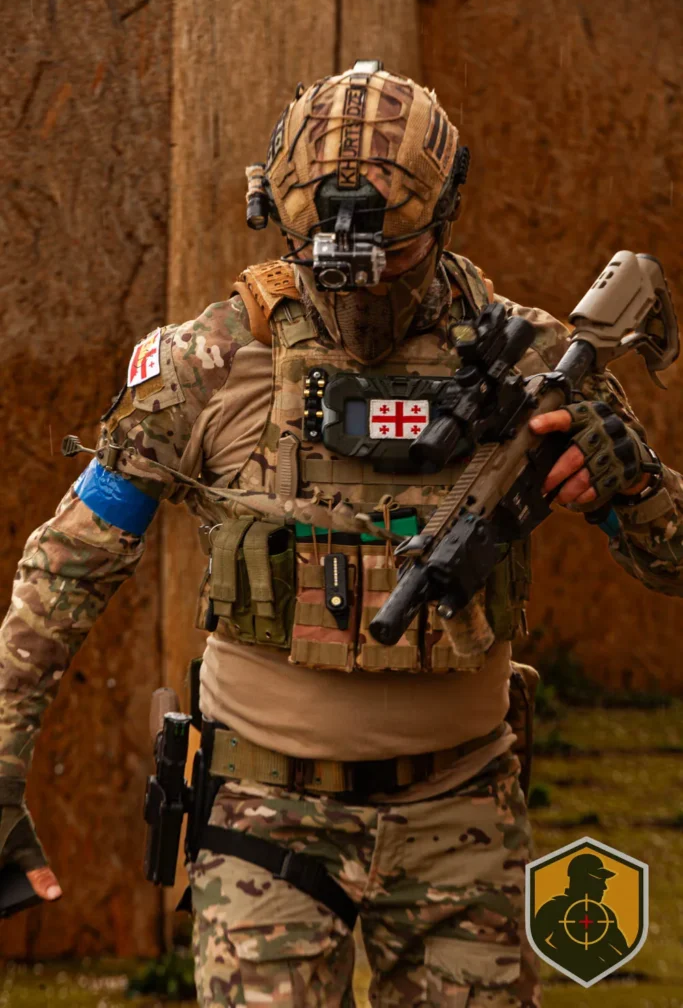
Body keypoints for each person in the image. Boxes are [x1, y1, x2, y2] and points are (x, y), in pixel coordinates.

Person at [1, 61, 681, 1007]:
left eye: (391, 252)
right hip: (264, 818)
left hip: (460, 814)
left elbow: (670, 558)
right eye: (326, 253)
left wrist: (631, 482)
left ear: (445, 215)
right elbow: (65, 569)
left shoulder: (535, 362)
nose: (361, 281)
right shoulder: (208, 361)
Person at [532, 853, 630, 982]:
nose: (604, 887)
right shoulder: (555, 908)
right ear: (582, 880)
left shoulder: (605, 913)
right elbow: (535, 940)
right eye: (599, 880)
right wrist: (562, 960)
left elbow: (622, 951)